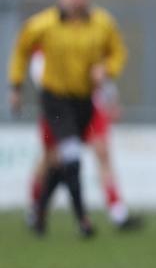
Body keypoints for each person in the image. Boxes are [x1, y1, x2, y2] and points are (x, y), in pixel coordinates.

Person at [7, 0, 128, 238]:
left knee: (59, 162)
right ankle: (83, 221)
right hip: (55, 100)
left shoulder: (103, 24)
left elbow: (118, 53)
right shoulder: (42, 24)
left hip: (84, 100)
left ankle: (39, 213)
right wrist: (15, 87)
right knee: (70, 157)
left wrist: (107, 70)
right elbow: (20, 51)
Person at [27, 50, 142, 231]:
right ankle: (37, 210)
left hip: (88, 104)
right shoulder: (46, 36)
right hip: (59, 106)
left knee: (102, 153)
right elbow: (41, 76)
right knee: (52, 161)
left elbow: (99, 70)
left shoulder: (90, 33)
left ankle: (118, 213)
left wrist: (109, 98)